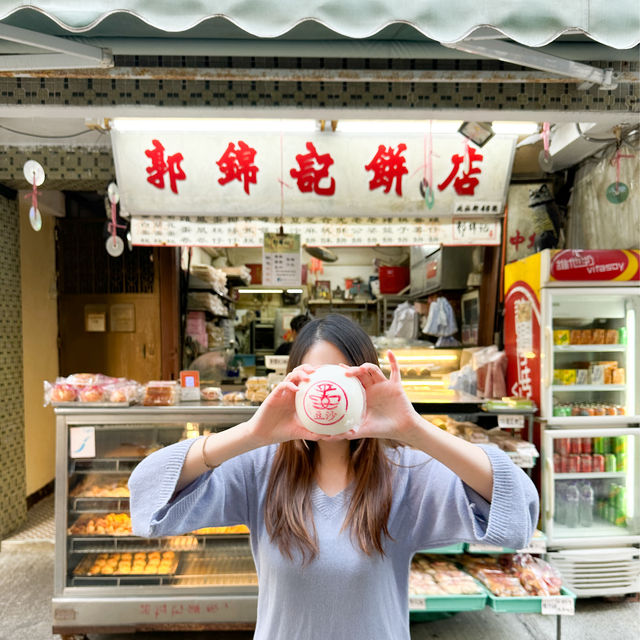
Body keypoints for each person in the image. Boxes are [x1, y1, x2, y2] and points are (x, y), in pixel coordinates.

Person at [129, 314, 538, 640]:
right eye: (312, 379)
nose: (328, 394)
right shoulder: (262, 467)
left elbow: (517, 512)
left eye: (344, 378)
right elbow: (148, 496)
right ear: (292, 384)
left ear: (366, 383)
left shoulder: (403, 475)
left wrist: (413, 430)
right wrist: (252, 432)